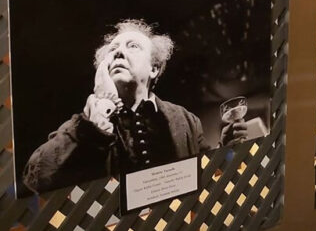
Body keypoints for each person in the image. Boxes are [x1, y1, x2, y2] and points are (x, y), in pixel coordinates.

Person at [23, 20, 212, 193]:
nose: (118, 52)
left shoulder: (186, 120)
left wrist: (226, 145)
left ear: (154, 69)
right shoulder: (87, 121)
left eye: (133, 46)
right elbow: (36, 179)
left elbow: (208, 177)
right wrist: (102, 107)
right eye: (113, 49)